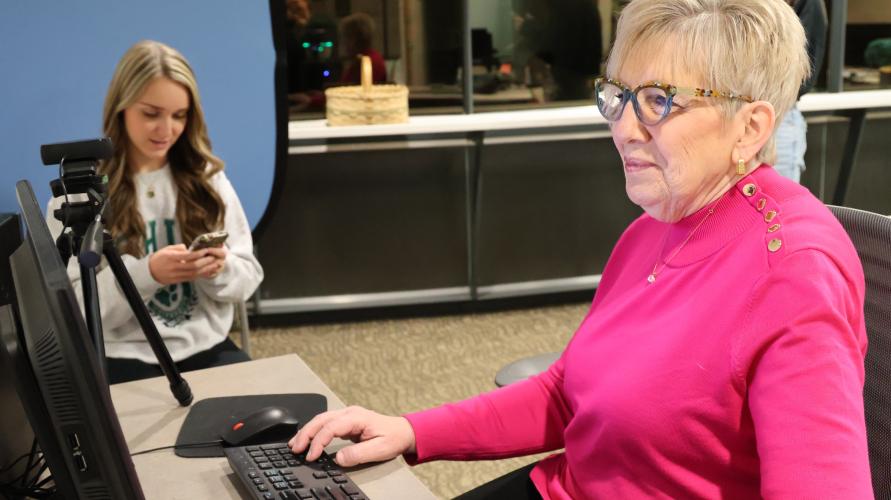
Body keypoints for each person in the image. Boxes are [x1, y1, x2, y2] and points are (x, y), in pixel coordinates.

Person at [287, 0, 873, 498]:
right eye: (619, 96)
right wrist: (413, 430)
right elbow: (571, 394)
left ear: (749, 127)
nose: (624, 127)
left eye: (659, 101)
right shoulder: (655, 225)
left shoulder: (793, 273)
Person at [46, 40, 264, 385]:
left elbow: (248, 277)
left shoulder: (208, 178)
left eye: (179, 116)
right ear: (121, 107)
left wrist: (218, 269)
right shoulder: (78, 194)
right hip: (120, 354)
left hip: (205, 348)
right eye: (151, 114)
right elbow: (69, 309)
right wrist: (148, 274)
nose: (167, 130)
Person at [774, 0, 828, 183]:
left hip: (779, 114)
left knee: (779, 201)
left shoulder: (809, 3)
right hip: (733, 112)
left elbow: (806, 72)